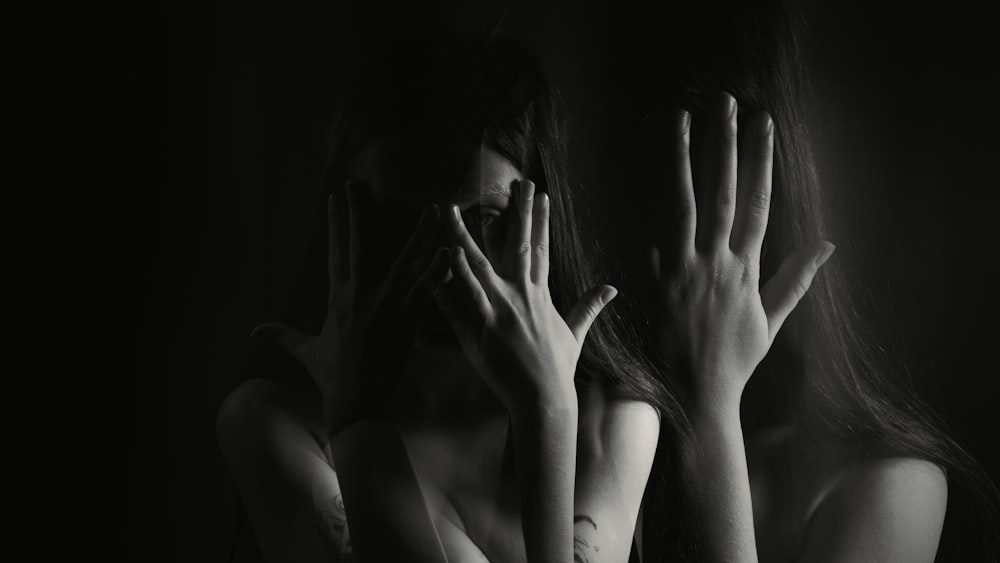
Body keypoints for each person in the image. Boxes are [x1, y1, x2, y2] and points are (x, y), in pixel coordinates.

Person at [215, 33, 673, 563]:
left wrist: (546, 410)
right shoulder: (271, 421)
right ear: (343, 218)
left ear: (543, 222)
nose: (439, 264)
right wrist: (356, 416)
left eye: (481, 220)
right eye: (395, 222)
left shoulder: (611, 422)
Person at [606, 2, 1000, 561]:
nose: (682, 246)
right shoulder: (603, 444)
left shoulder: (888, 484)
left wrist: (711, 405)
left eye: (707, 181)